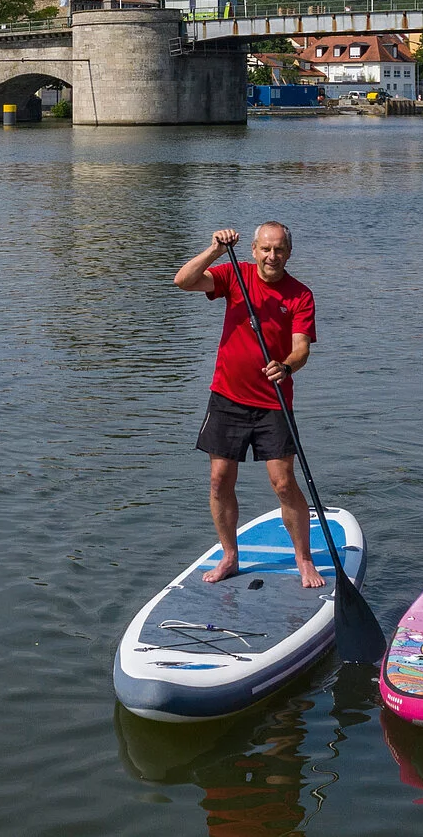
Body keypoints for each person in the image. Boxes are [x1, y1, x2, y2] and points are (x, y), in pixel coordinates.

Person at [174, 223, 324, 589]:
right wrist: (213, 250)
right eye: (266, 249)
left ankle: (303, 558)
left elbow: (302, 347)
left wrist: (286, 366)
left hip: (273, 401)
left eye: (280, 250)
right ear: (254, 250)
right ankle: (229, 555)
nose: (273, 257)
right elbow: (183, 281)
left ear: (289, 253)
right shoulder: (234, 276)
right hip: (227, 397)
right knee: (219, 479)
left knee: (283, 483)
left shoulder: (300, 295)